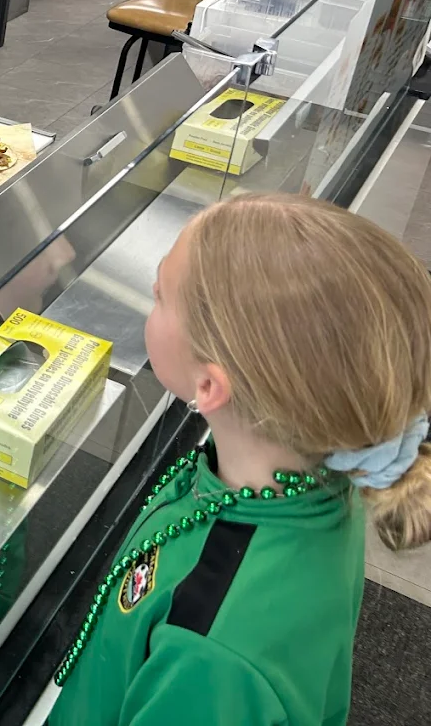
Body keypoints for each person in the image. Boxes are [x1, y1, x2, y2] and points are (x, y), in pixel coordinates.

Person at [51, 193, 431, 725]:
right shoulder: (324, 472)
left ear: (209, 386)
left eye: (161, 295)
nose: (151, 299)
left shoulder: (212, 656)